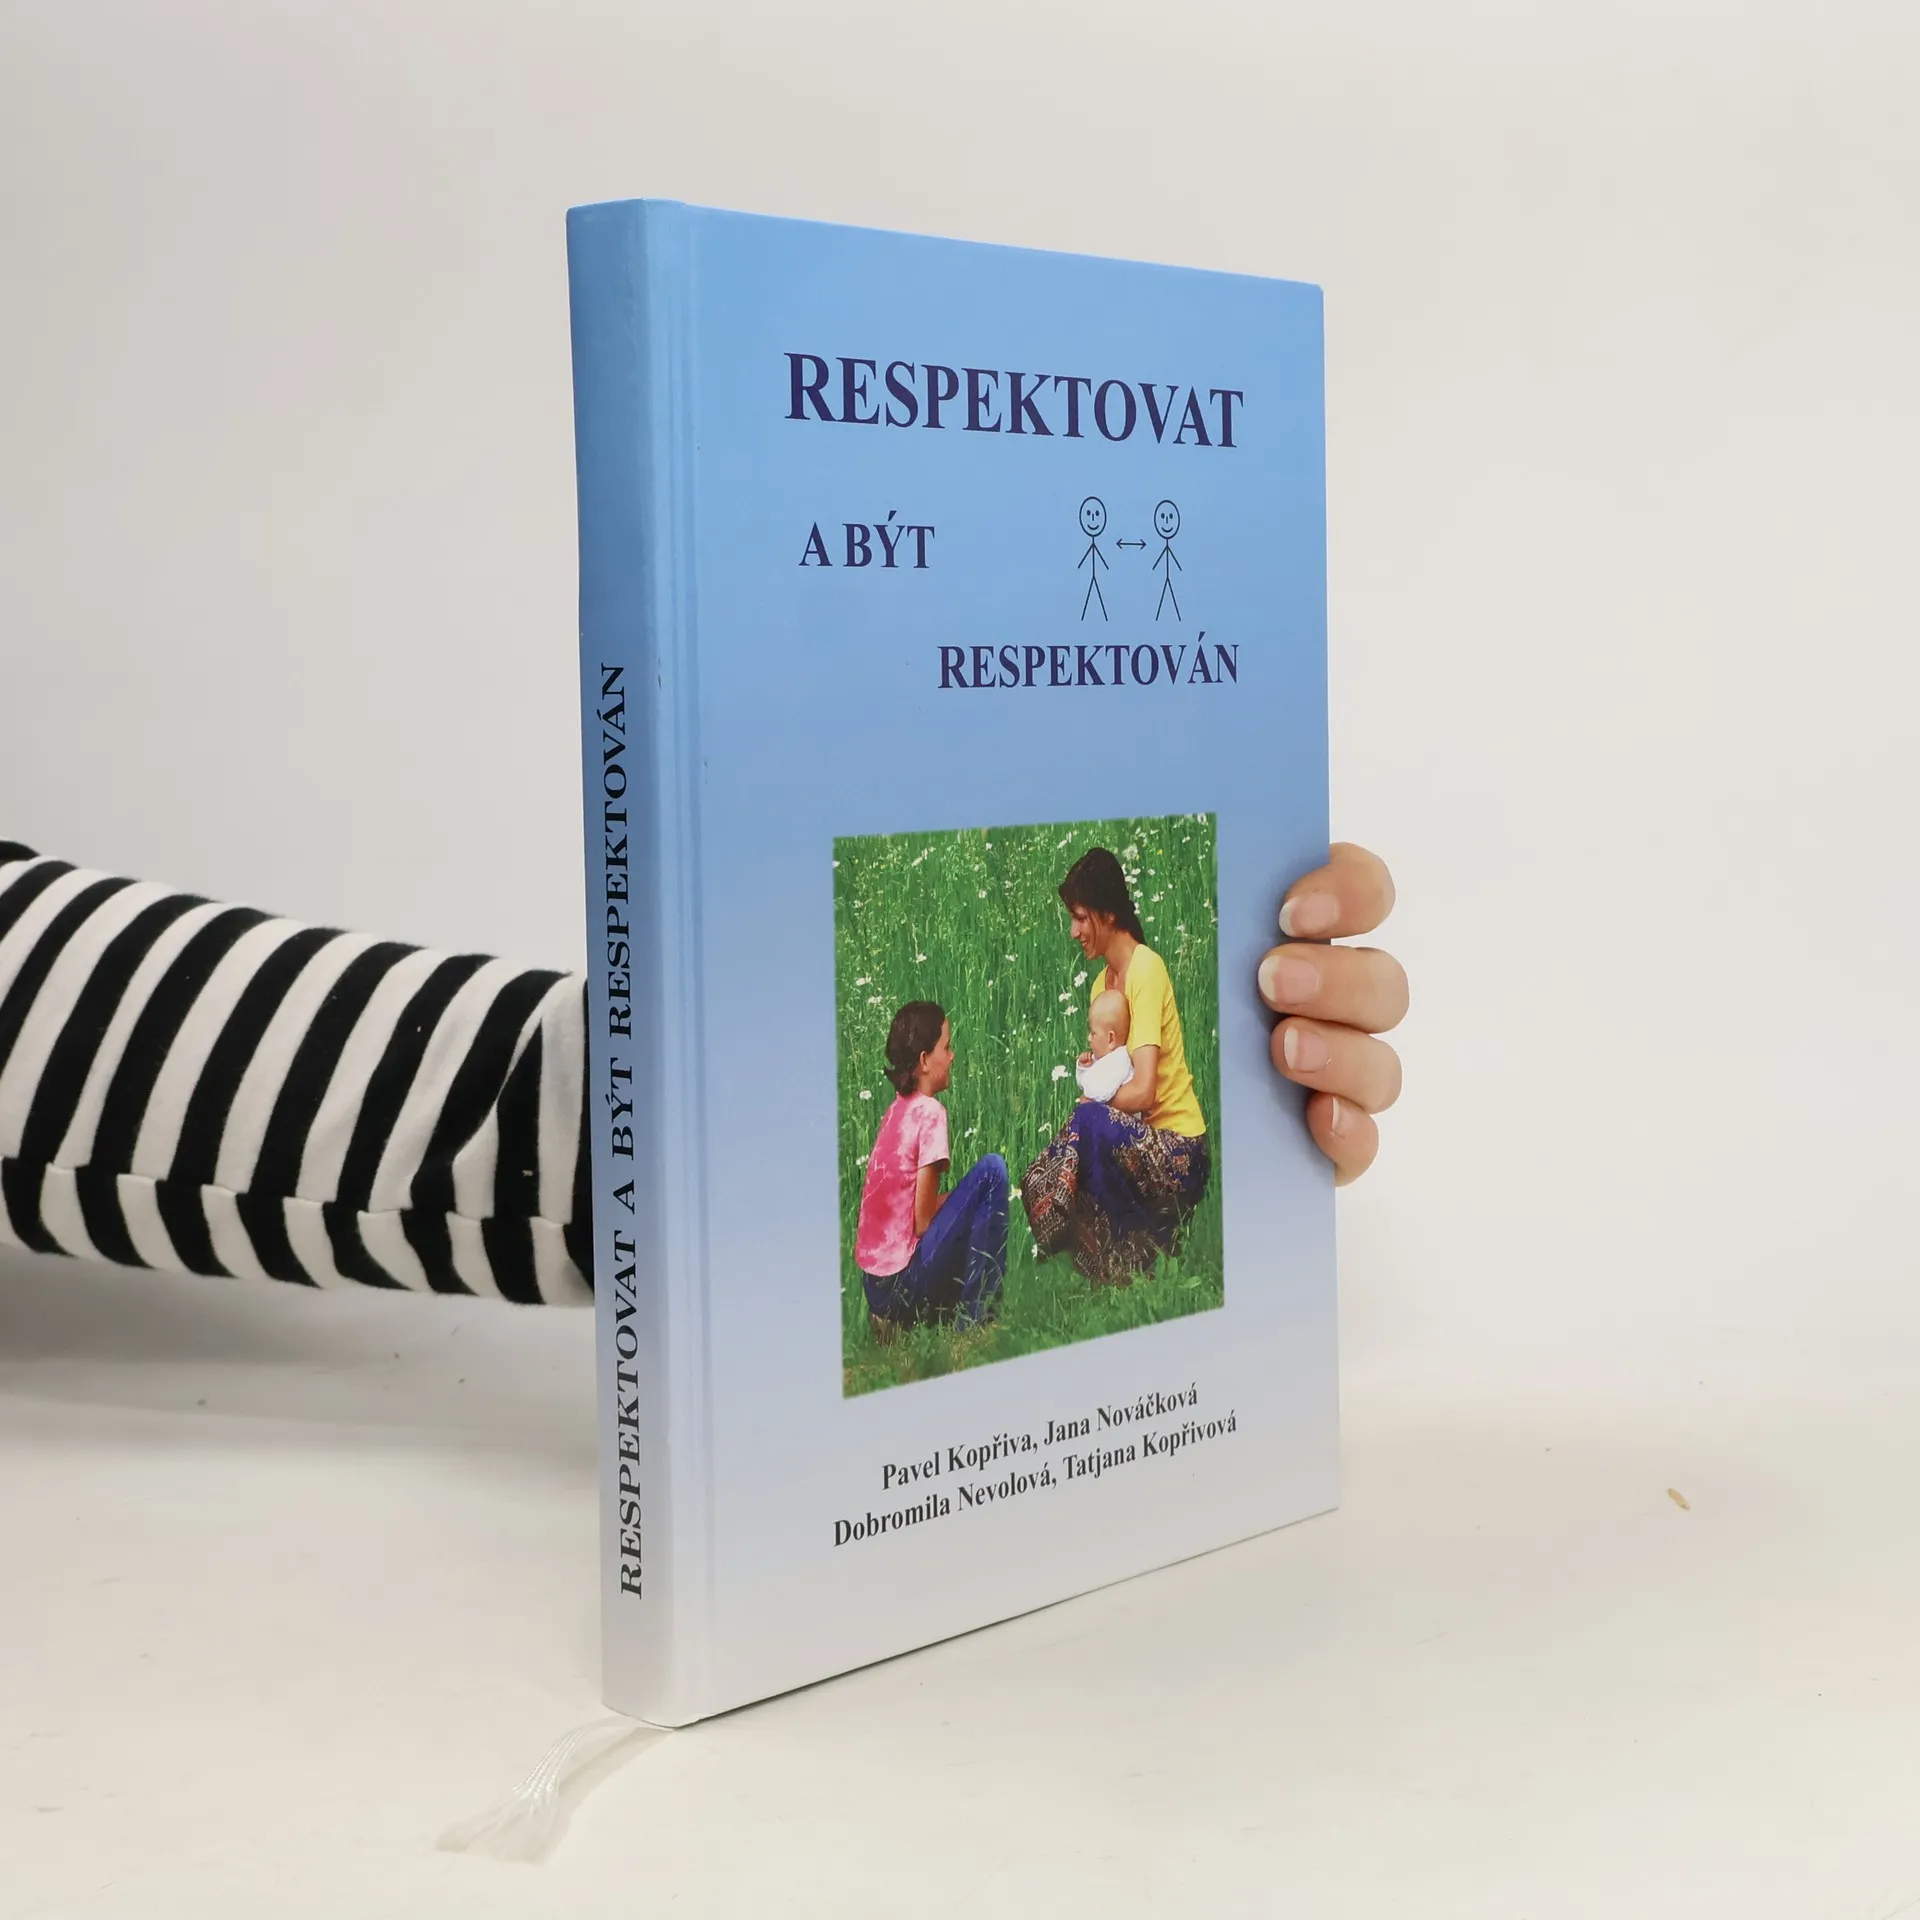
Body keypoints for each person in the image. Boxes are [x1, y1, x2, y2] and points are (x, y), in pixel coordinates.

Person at [0, 839, 1404, 1296]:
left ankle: (1091, 1264)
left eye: (1084, 920)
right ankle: (1071, 1267)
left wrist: (639, 1100)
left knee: (1046, 1150)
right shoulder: (959, 1090)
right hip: (871, 1268)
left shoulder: (1132, 982)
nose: (1077, 937)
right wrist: (643, 1120)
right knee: (1016, 1163)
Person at [1021, 847, 1211, 1286]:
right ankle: (1125, 1267)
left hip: (1179, 1149)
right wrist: (1091, 1111)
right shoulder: (1100, 988)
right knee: (1084, 1135)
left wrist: (1091, 1112)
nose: (1073, 931)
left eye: (1080, 918)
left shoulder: (1146, 969)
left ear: (1108, 915)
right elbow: (1111, 1083)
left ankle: (1134, 1255)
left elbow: (1143, 1092)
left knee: (1088, 1123)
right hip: (1136, 1141)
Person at [852, 1001, 1008, 1334]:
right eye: (946, 1047)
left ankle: (901, 1321)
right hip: (903, 1285)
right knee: (992, 1172)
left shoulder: (895, 1112)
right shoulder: (930, 1113)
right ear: (924, 1061)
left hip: (876, 1289)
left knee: (973, 1195)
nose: (952, 1056)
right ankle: (977, 1321)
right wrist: (965, 1201)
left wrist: (962, 1203)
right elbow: (923, 1220)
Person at [1073, 988, 1134, 1106]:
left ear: (1110, 1039)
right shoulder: (1103, 1058)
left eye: (1093, 1033)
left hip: (1122, 1116)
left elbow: (1101, 1093)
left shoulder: (1119, 1061)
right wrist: (1084, 1069)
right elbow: (1084, 1084)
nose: (1089, 1038)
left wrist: (1086, 1095)